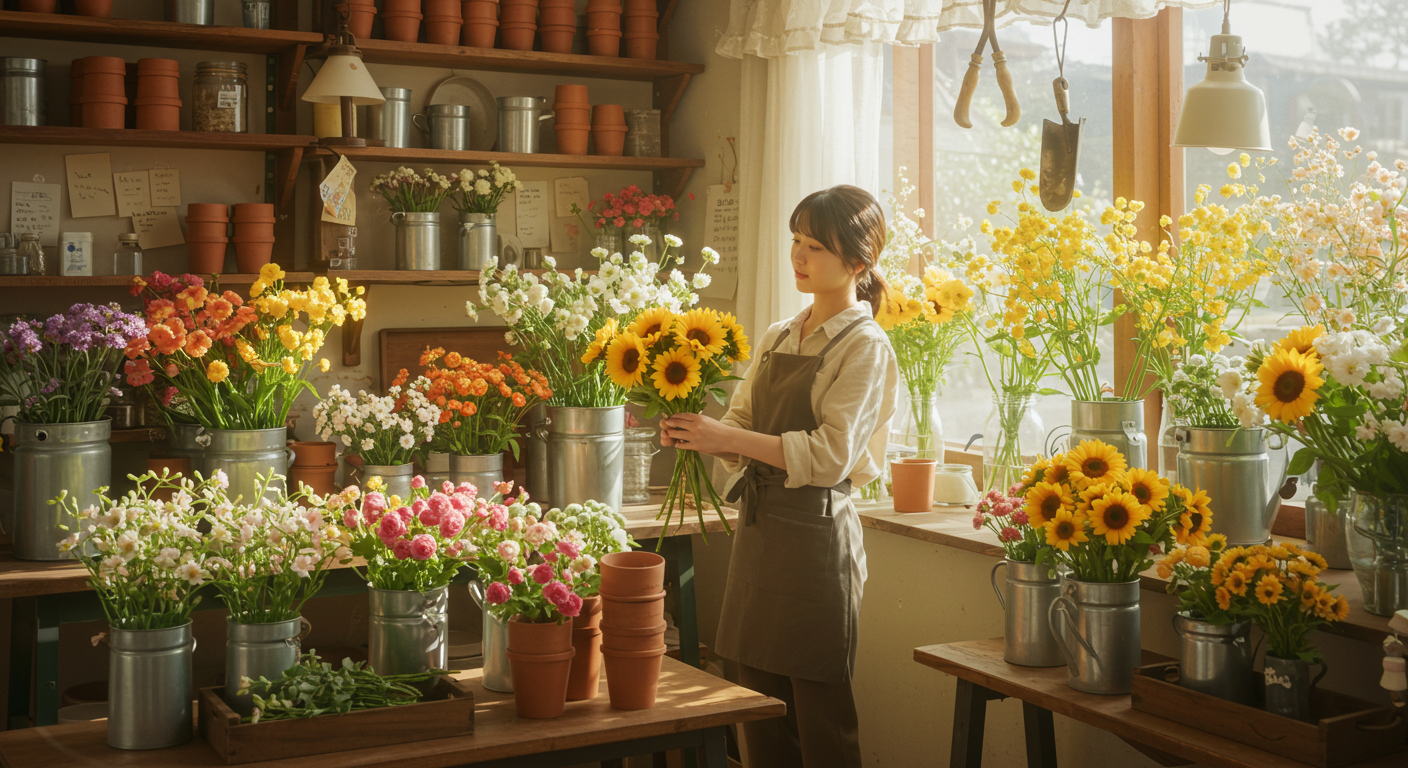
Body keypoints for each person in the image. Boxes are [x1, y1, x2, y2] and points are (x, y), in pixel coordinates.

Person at [660, 185, 899, 768]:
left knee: (820, 714)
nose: (798, 255)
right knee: (755, 699)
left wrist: (726, 440)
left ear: (858, 261)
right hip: (761, 532)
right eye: (796, 240)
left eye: (816, 246)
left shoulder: (865, 347)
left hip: (819, 541)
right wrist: (697, 431)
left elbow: (831, 455)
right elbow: (741, 420)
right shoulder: (777, 336)